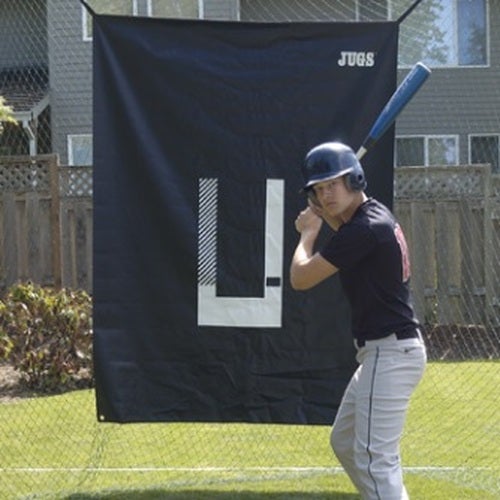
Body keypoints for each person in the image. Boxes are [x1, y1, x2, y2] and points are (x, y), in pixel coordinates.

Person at [290, 142, 426, 500]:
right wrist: (324, 216)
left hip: (390, 352)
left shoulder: (364, 229)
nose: (326, 193)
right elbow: (343, 229)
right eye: (319, 189)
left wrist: (308, 233)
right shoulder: (372, 216)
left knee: (373, 460)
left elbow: (301, 278)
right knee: (346, 442)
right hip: (386, 352)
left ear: (354, 178)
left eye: (332, 184)